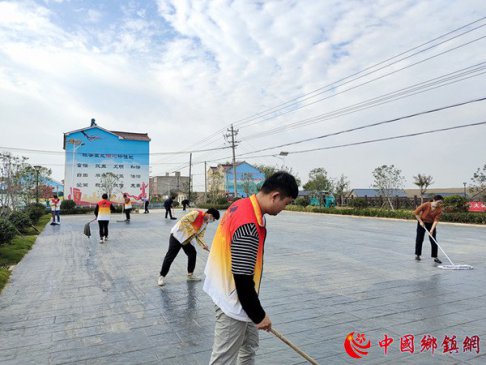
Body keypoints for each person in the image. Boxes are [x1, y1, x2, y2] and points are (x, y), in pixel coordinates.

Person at [203, 172, 298, 365]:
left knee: (248, 346)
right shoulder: (248, 226)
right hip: (233, 300)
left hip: (232, 292)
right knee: (223, 359)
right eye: (286, 203)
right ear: (275, 196)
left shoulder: (241, 204)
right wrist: (259, 315)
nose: (284, 209)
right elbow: (243, 281)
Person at [158, 208, 220, 286]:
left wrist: (203, 245)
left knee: (192, 253)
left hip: (186, 239)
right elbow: (184, 220)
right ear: (210, 215)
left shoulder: (205, 223)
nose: (213, 221)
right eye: (214, 219)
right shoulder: (196, 213)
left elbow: (200, 235)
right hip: (177, 235)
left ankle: (190, 275)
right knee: (170, 256)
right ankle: (162, 276)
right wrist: (193, 230)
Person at [413, 194, 444, 263]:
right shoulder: (426, 205)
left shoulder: (439, 209)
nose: (440, 204)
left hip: (431, 224)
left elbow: (436, 220)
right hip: (422, 222)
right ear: (434, 200)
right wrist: (420, 222)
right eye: (438, 202)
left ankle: (435, 257)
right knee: (419, 239)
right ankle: (418, 255)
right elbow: (416, 213)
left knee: (433, 240)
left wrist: (431, 230)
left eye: (441, 202)